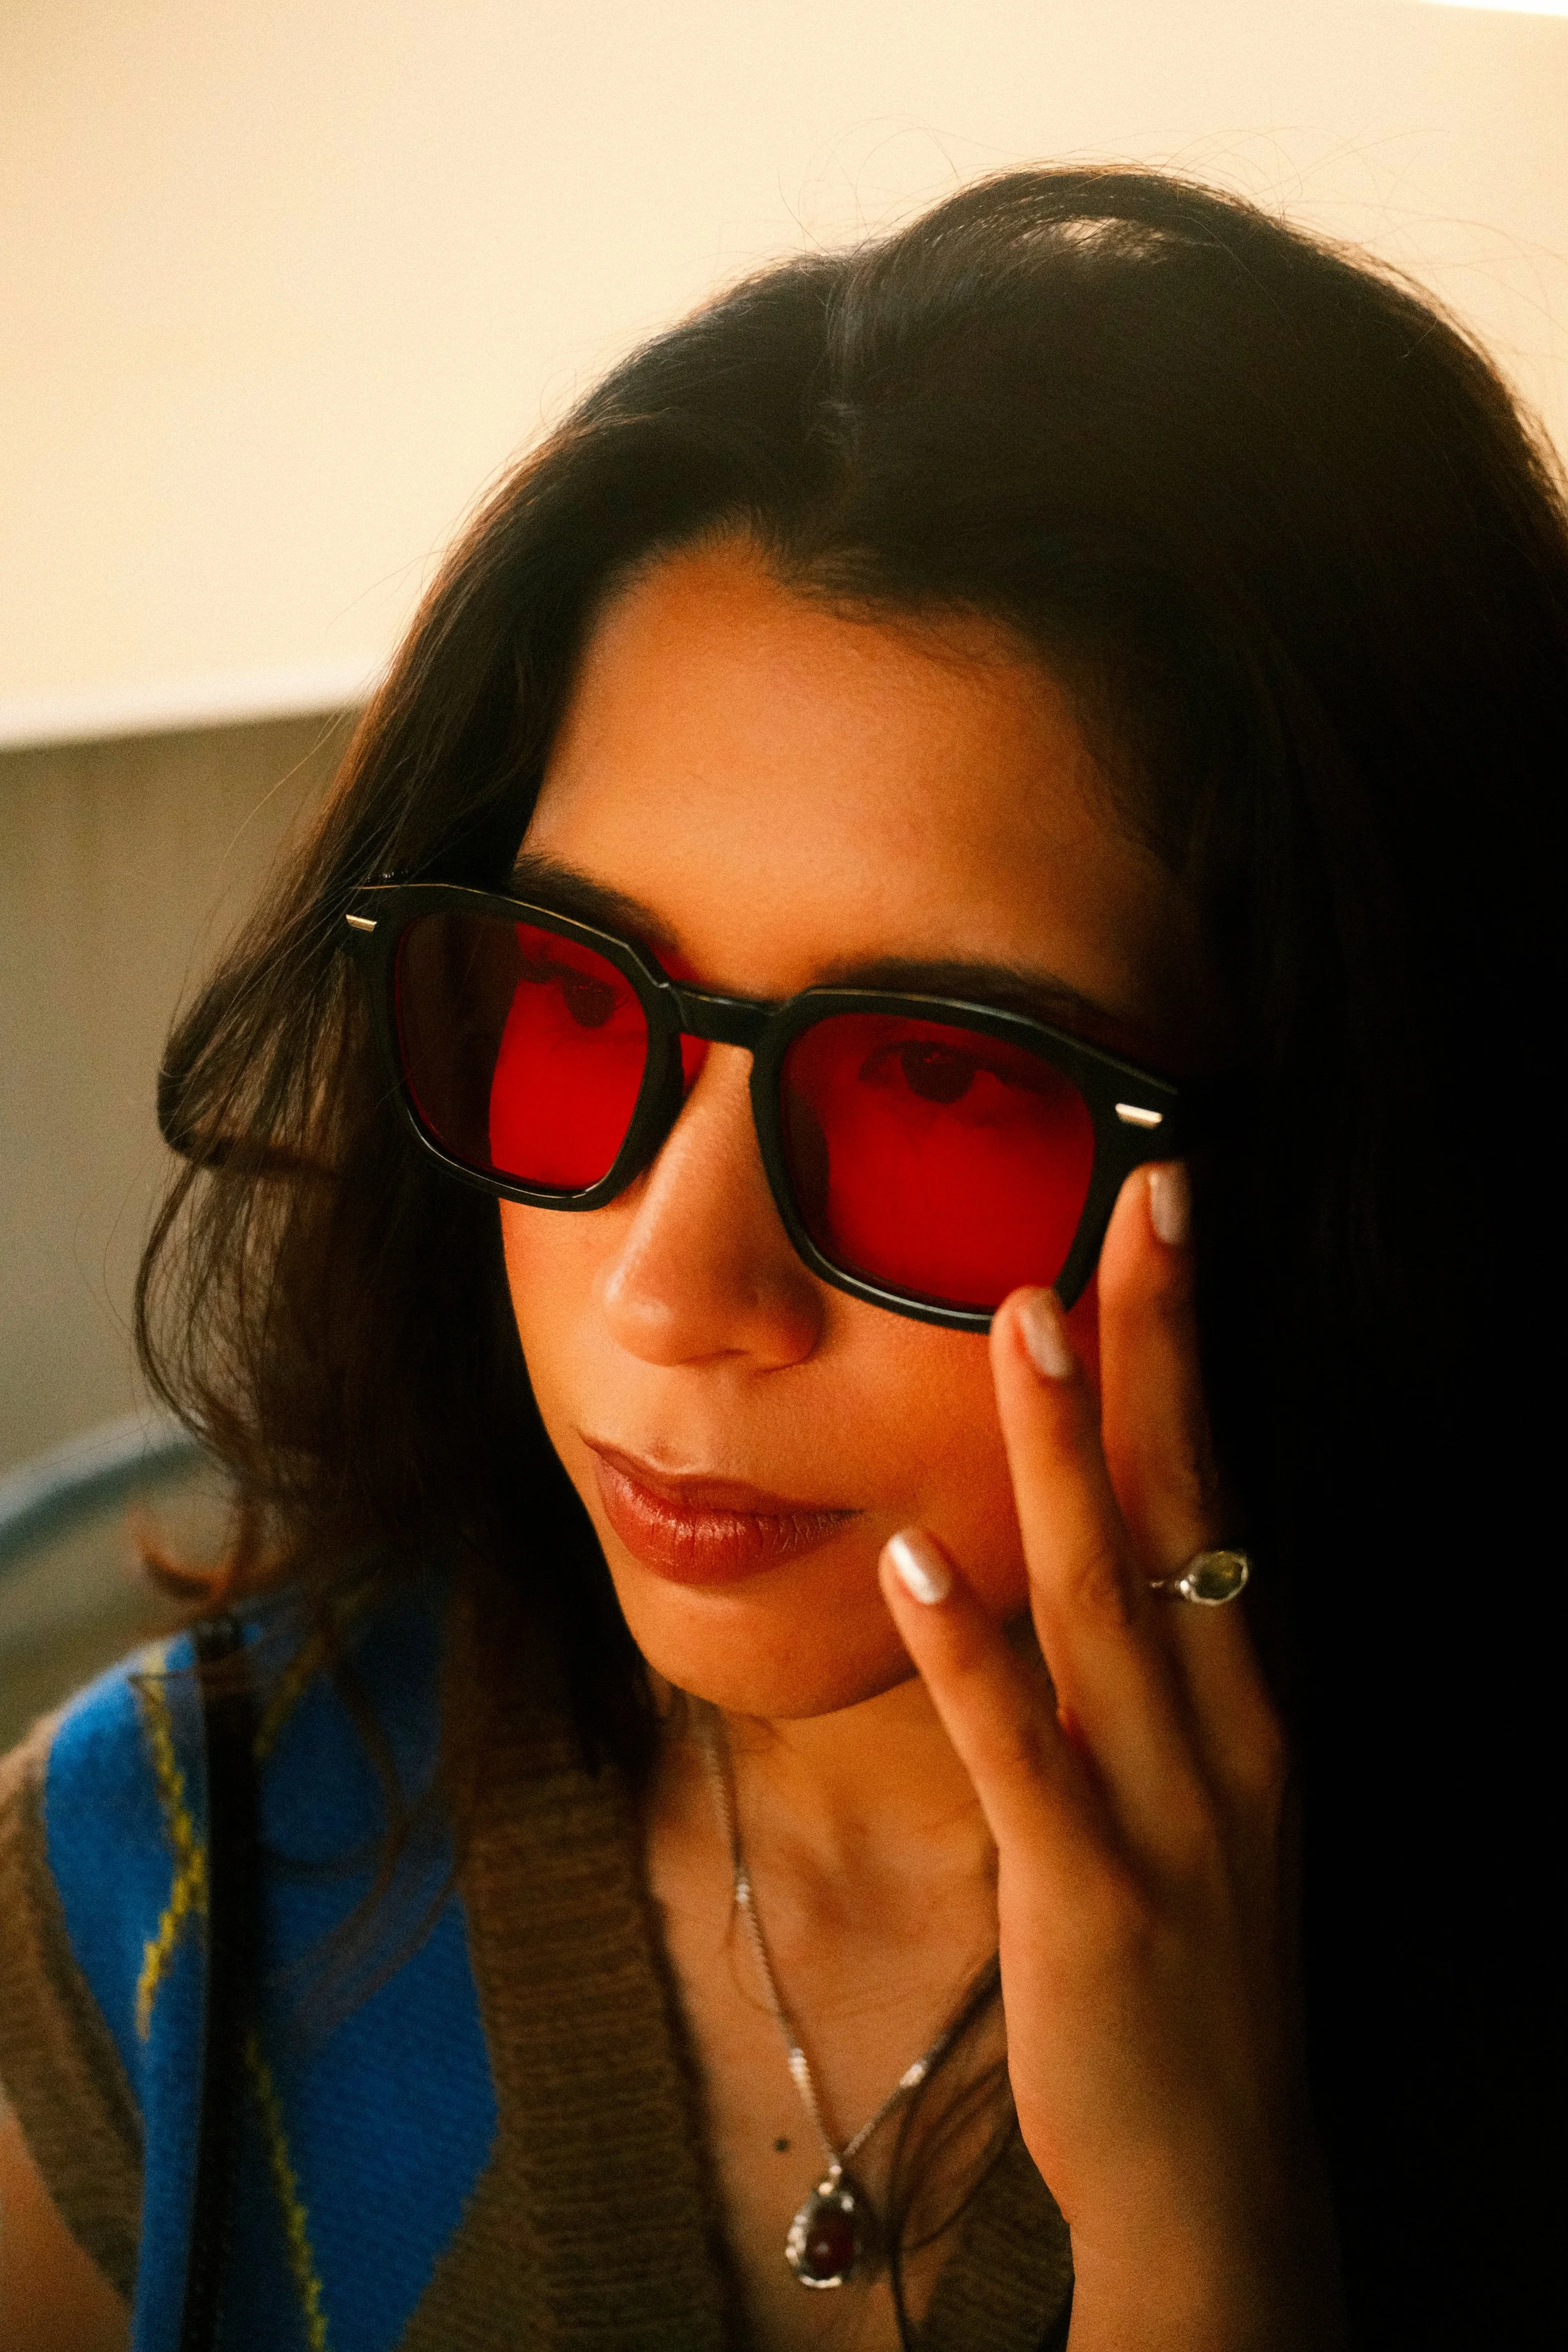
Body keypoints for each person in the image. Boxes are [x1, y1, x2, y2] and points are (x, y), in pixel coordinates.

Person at [0, 166, 1559, 2352]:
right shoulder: (175, 1892)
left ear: (1349, 1161)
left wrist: (1198, 2241)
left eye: (938, 1086)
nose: (667, 1287)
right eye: (571, 1000)